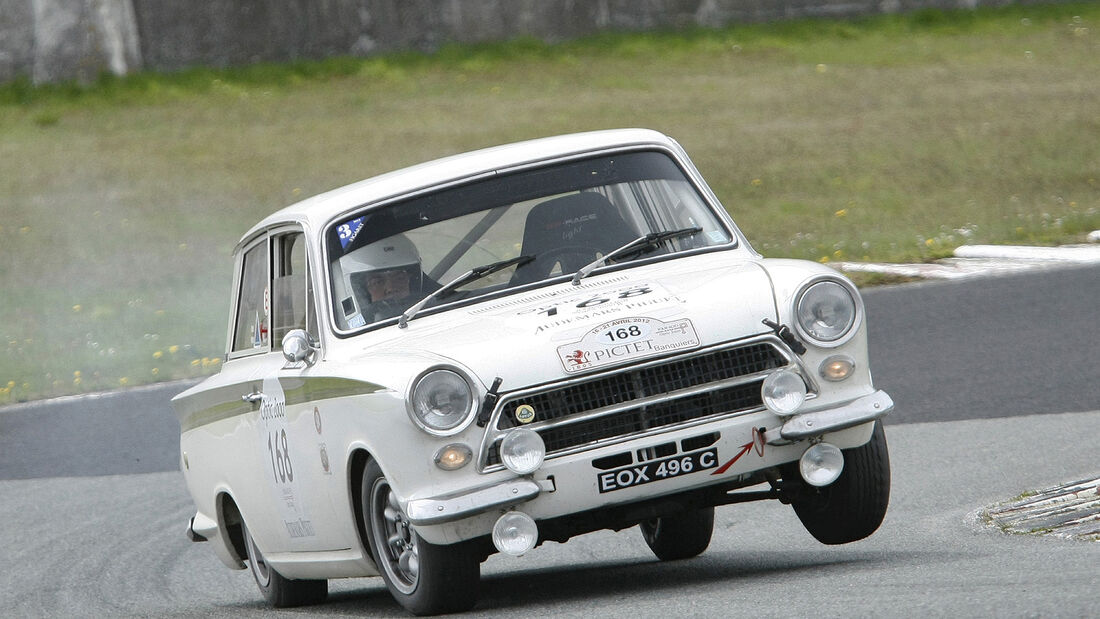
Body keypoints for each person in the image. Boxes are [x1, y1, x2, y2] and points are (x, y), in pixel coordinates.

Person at [343, 234, 424, 323]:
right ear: (363, 291)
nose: (390, 288)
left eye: (399, 278)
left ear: (411, 281)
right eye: (377, 282)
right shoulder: (351, 330)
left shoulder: (433, 309)